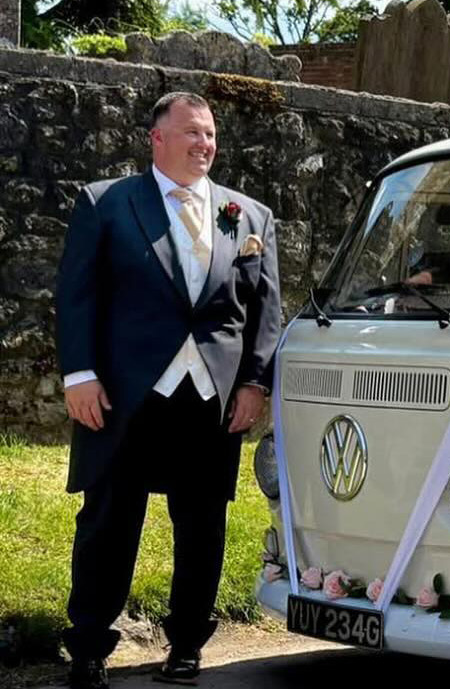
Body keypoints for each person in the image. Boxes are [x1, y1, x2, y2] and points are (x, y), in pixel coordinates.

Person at [55, 92, 281, 689]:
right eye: (191, 133)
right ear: (157, 138)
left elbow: (265, 311)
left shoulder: (249, 217)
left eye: (210, 134)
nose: (203, 144)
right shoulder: (107, 204)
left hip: (211, 398)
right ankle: (88, 648)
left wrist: (256, 383)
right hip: (125, 395)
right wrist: (79, 375)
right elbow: (76, 294)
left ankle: (186, 647)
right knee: (108, 520)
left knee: (203, 523)